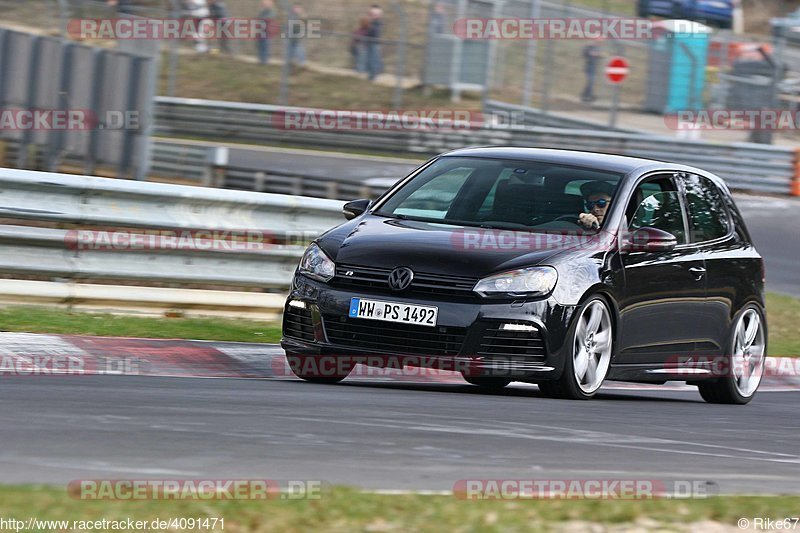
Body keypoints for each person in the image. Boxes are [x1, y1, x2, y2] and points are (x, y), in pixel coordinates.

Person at [365, 4, 384, 81]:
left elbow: (374, 32)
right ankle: (371, 75)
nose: (371, 15)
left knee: (373, 59)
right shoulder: (372, 22)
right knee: (371, 59)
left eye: (373, 14)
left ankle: (373, 76)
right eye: (370, 14)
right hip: (370, 42)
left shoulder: (377, 23)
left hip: (374, 42)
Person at [581, 38, 602, 103]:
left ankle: (585, 95)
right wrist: (590, 52)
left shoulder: (598, 48)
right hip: (589, 67)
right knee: (591, 81)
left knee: (591, 82)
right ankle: (589, 96)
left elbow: (599, 55)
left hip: (594, 68)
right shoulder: (590, 47)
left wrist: (598, 55)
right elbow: (584, 53)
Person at [287, 3, 307, 67]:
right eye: (295, 8)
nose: (297, 9)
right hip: (293, 36)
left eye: (298, 8)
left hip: (296, 36)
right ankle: (295, 61)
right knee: (294, 48)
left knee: (297, 48)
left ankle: (300, 62)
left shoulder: (299, 16)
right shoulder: (293, 16)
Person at [257, 0, 276, 64]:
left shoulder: (272, 12)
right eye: (264, 3)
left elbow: (268, 19)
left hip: (267, 32)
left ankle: (265, 61)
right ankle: (261, 60)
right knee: (260, 46)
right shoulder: (262, 11)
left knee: (266, 46)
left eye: (267, 3)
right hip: (260, 31)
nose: (265, 4)